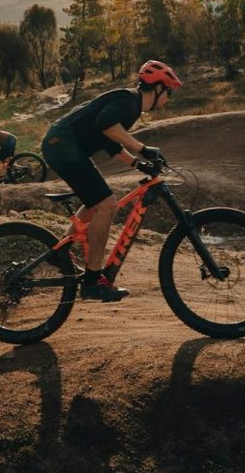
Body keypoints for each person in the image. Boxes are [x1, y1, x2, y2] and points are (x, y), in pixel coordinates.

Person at [41, 60, 181, 302]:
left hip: (62, 145)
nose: (168, 99)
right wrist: (142, 148)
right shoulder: (129, 100)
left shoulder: (130, 106)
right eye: (168, 92)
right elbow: (106, 124)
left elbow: (109, 141)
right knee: (107, 204)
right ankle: (93, 281)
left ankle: (60, 252)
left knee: (96, 202)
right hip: (62, 145)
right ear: (158, 89)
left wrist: (138, 163)